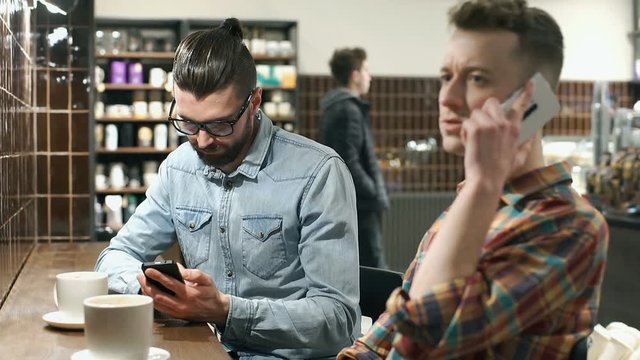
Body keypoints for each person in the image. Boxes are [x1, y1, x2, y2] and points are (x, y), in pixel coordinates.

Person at [339, 0, 609, 358]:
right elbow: (379, 341)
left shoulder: (570, 226)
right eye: (446, 77)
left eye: (476, 78)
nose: (446, 98)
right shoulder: (465, 208)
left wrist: (482, 185)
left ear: (534, 102)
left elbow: (419, 348)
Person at [96, 18, 361, 359]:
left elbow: (338, 319)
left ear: (254, 102)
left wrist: (225, 310)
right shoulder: (179, 169)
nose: (202, 140)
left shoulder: (318, 173)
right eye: (188, 122)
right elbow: (114, 256)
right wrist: (152, 290)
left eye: (220, 124)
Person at [320, 47, 390, 269]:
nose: (370, 77)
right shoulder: (348, 109)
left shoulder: (338, 107)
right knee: (373, 266)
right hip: (360, 204)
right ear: (355, 74)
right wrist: (373, 190)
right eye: (366, 70)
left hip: (351, 201)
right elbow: (348, 160)